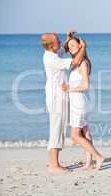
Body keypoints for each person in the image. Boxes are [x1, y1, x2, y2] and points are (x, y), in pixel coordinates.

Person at [41, 32, 85, 172]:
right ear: (50, 45)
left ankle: (54, 163)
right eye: (58, 41)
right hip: (56, 98)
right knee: (57, 130)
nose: (61, 43)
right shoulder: (51, 59)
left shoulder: (53, 53)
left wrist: (68, 37)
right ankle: (54, 165)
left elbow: (64, 49)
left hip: (60, 95)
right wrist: (83, 47)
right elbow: (75, 62)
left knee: (58, 128)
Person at [62, 33, 105, 170]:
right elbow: (65, 48)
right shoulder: (76, 62)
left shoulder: (83, 64)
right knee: (85, 132)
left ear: (81, 45)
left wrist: (69, 89)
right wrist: (68, 38)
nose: (71, 48)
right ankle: (88, 163)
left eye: (74, 45)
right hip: (79, 101)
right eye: (70, 47)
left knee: (75, 136)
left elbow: (86, 85)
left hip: (78, 102)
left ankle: (98, 157)